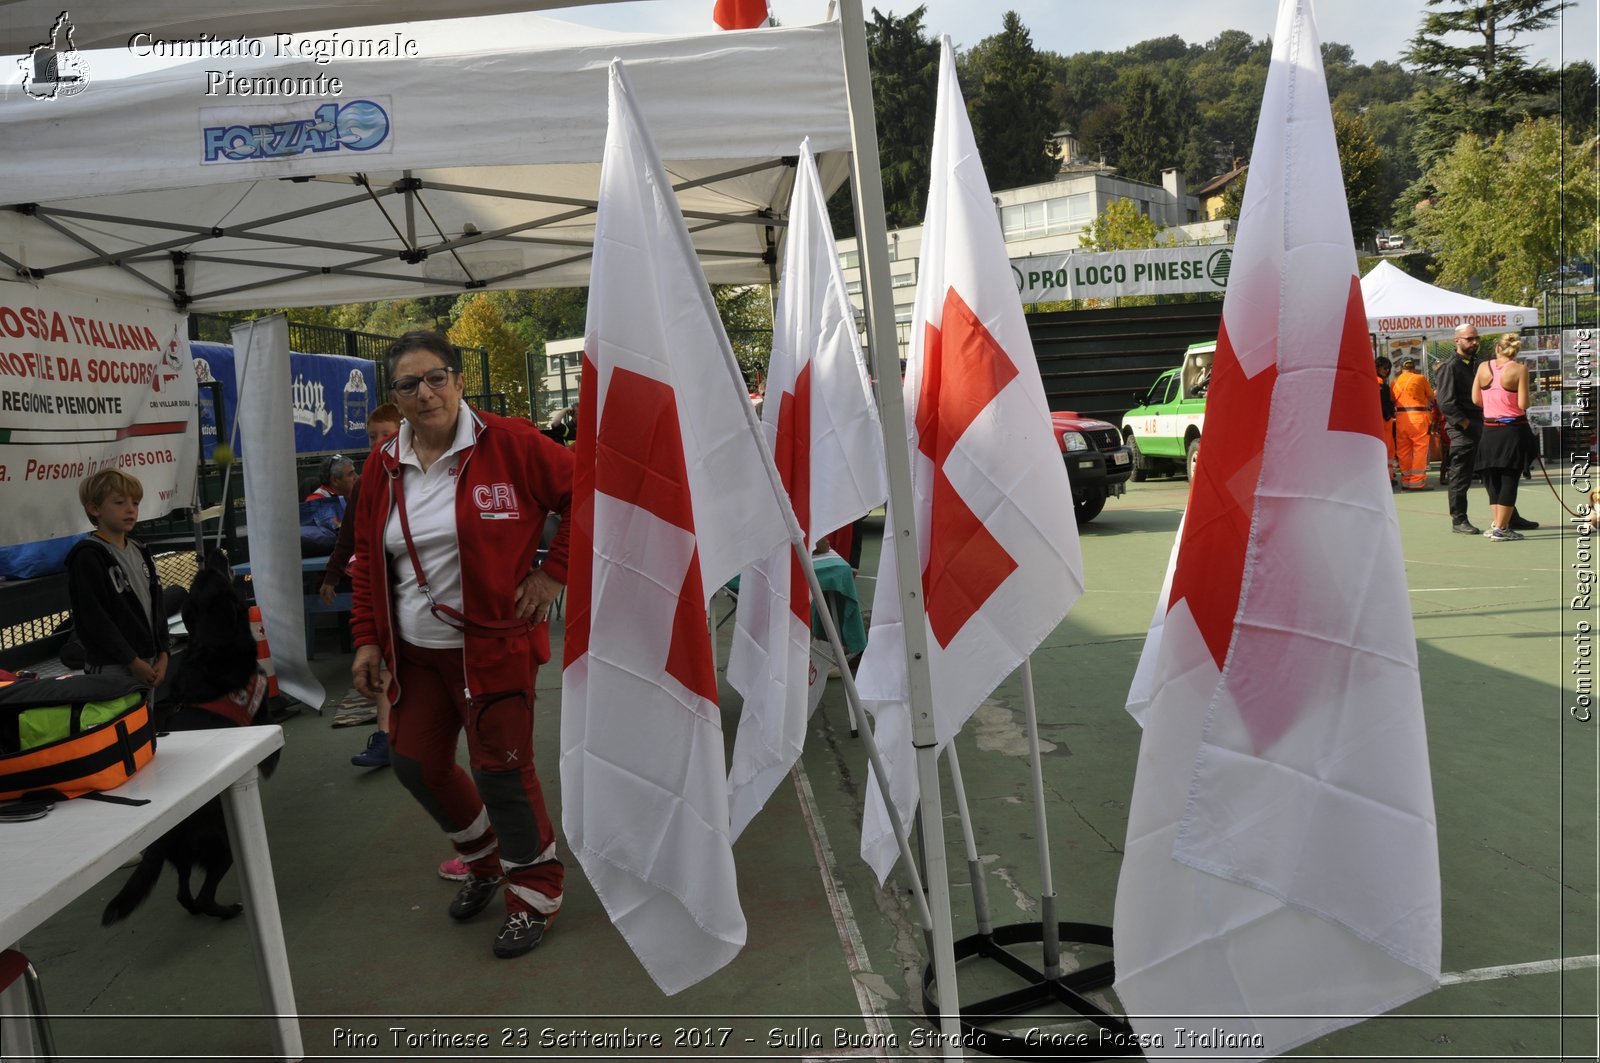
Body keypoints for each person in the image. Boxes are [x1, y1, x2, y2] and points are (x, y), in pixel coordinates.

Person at [349, 331, 572, 959]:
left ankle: (536, 893)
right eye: (408, 384)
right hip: (415, 654)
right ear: (394, 395)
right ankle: (484, 860)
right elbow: (370, 558)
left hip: (493, 649)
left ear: (458, 379)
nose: (425, 393)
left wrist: (554, 571)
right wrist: (367, 640)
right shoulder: (383, 462)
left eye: (436, 377)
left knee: (501, 771)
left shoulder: (513, 445)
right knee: (415, 762)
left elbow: (589, 493)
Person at [65, 470, 170, 694]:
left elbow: (156, 606)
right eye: (120, 502)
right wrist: (131, 661)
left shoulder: (140, 548)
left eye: (135, 502)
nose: (130, 509)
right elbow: (95, 619)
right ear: (94, 509)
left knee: (143, 724)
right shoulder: (88, 556)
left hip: (148, 663)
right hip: (112, 668)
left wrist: (163, 653)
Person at [1472, 334, 1535, 541]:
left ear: (1497, 347)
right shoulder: (1519, 369)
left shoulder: (1482, 367)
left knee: (1493, 481)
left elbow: (1476, 399)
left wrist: (1493, 403)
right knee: (1510, 479)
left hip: (1489, 430)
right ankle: (1501, 529)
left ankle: (1497, 524)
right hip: (1513, 430)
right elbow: (1523, 404)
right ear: (1515, 350)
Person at [1434, 325, 1484, 533]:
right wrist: (1465, 424)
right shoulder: (1450, 366)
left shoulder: (1478, 364)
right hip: (1463, 428)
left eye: (1476, 338)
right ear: (1457, 340)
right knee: (1460, 475)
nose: (1474, 342)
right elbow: (1445, 402)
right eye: (1469, 339)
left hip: (1483, 424)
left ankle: (1508, 515)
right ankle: (1459, 520)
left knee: (1494, 471)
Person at [1390, 356, 1433, 491]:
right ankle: (1417, 482)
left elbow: (1393, 399)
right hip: (1418, 417)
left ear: (1401, 368)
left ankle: (1406, 480)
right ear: (1413, 367)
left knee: (1403, 450)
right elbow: (1431, 396)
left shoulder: (1395, 382)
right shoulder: (1420, 378)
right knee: (1420, 449)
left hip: (1401, 419)